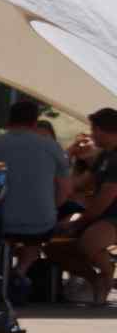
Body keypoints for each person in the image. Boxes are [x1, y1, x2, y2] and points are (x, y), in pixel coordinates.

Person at [0, 99, 72, 297]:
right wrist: (50, 208)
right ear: (34, 122)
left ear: (9, 121)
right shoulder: (53, 148)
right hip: (40, 222)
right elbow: (65, 191)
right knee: (37, 236)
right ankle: (20, 270)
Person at [58, 107, 117, 306]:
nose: (91, 134)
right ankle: (95, 279)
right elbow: (80, 183)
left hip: (112, 217)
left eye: (93, 129)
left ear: (103, 130)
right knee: (55, 245)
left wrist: (81, 222)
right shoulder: (104, 156)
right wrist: (69, 156)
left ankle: (107, 275)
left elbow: (106, 197)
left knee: (88, 243)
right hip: (101, 216)